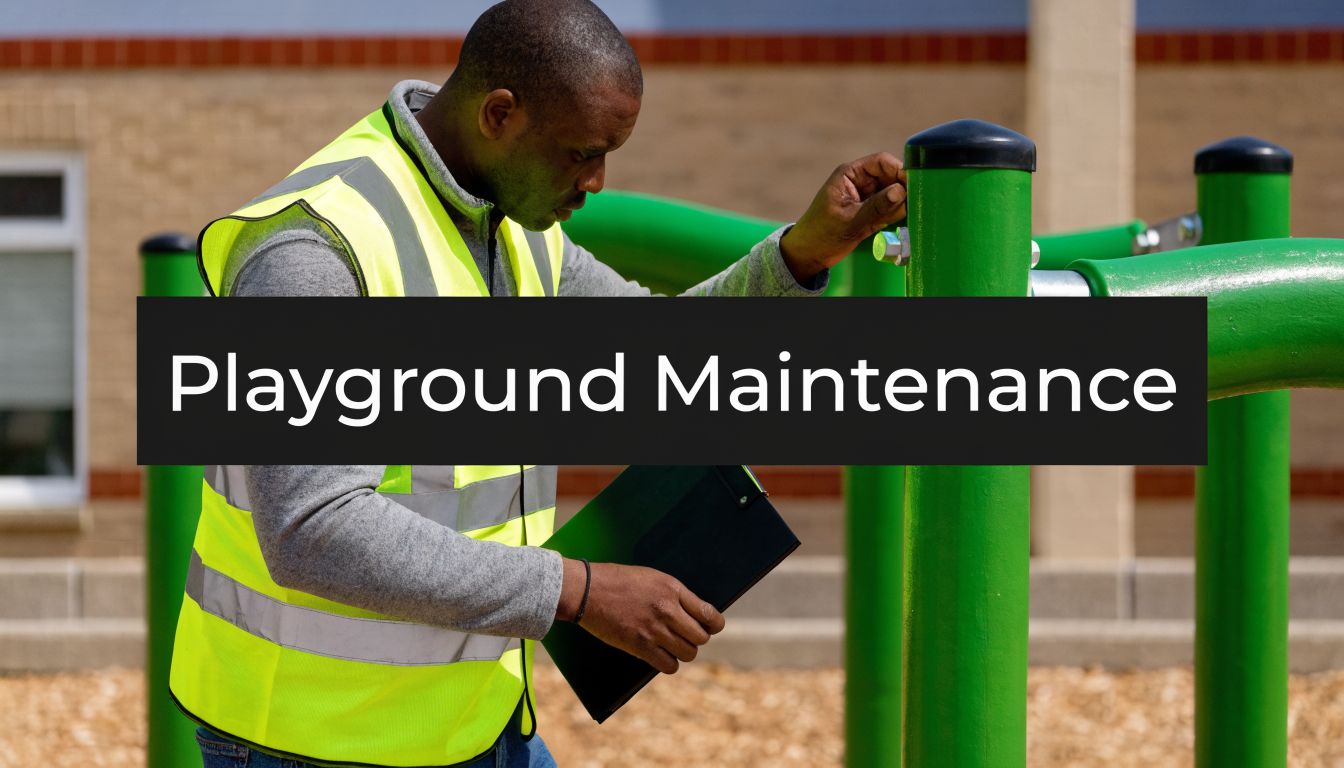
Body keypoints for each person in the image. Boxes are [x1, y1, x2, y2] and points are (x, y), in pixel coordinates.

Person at [170, 1, 908, 766]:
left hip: (480, 725)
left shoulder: (516, 232)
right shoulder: (313, 252)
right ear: (500, 114)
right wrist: (580, 591)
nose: (596, 181)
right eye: (581, 153)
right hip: (308, 741)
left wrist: (803, 252)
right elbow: (311, 526)